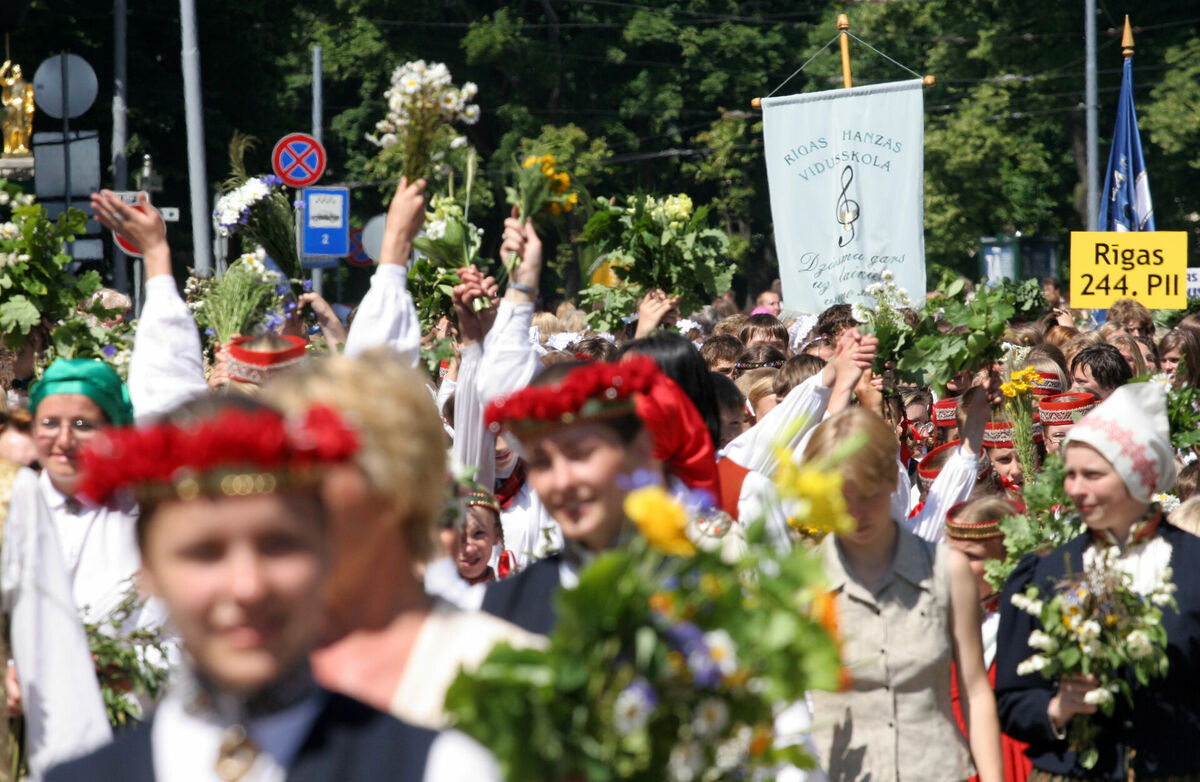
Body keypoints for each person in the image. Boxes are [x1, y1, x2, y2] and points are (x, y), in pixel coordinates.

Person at [47, 397, 499, 782]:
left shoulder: (439, 770)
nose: (248, 587)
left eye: (279, 546)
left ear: (327, 554)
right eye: (205, 553)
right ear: (147, 570)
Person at [262, 351, 542, 730]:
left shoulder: (500, 667)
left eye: (318, 464)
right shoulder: (251, 667)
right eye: (272, 465)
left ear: (399, 487)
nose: (283, 496)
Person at [995, 382, 1200, 780]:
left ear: (1137, 477)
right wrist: (1057, 708)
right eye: (1070, 475)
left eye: (1092, 475)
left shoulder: (1192, 565)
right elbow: (1013, 697)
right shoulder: (1049, 571)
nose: (1075, 489)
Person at [803, 407, 1003, 782]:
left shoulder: (947, 570)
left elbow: (976, 692)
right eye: (840, 498)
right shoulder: (804, 585)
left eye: (869, 494)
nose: (857, 512)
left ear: (894, 481)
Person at [945, 498, 1033, 782]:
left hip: (1010, 756)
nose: (953, 564)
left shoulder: (1030, 615)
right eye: (948, 552)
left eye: (971, 556)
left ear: (1005, 557)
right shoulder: (935, 613)